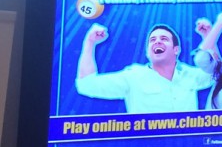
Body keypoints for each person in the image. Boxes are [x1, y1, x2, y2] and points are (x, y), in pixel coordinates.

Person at [76, 22, 213, 113]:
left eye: (164, 39)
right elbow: (87, 85)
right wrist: (90, 43)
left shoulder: (190, 75)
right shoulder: (133, 77)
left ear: (176, 50)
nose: (157, 41)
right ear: (148, 53)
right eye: (152, 40)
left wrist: (209, 35)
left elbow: (216, 73)